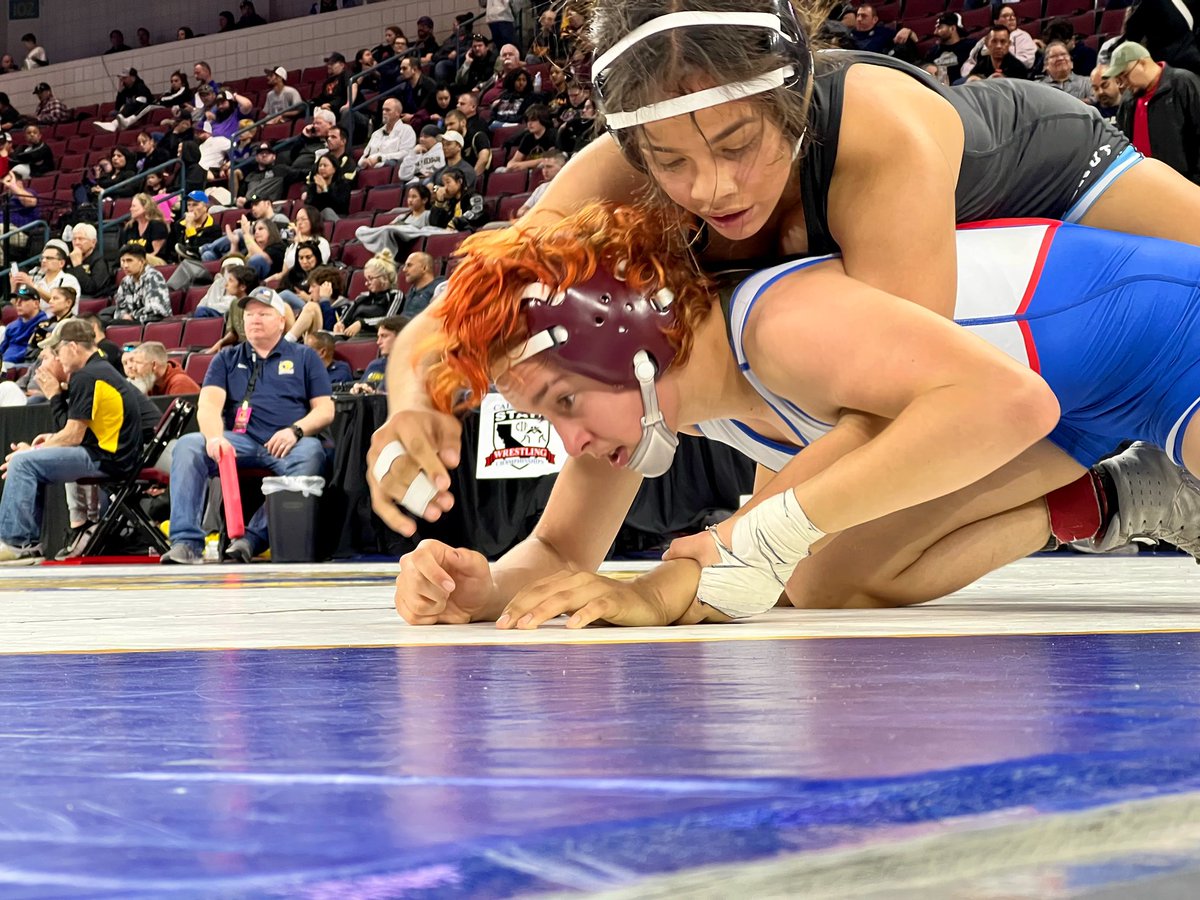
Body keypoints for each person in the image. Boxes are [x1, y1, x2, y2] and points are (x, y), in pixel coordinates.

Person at [367, 0, 1200, 597]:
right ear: (635, 152)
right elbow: (472, 305)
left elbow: (893, 414)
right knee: (826, 576)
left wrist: (706, 564)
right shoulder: (625, 188)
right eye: (673, 165)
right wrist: (412, 401)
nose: (714, 187)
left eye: (738, 145)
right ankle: (1122, 494)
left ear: (790, 100)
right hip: (1041, 357)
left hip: (1062, 184)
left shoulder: (877, 134)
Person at [386, 205, 1200, 629]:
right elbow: (563, 550)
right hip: (1069, 410)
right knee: (823, 580)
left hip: (1167, 331)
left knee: (783, 552)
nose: (569, 439)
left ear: (626, 331)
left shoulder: (773, 323)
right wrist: (486, 588)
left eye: (563, 403)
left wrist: (738, 546)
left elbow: (1007, 400)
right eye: (545, 414)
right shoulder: (644, 395)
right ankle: (1121, 498)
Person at [161, 287, 334, 564]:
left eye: (264, 313)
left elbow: (325, 409)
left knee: (311, 452)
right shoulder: (227, 358)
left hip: (287, 442)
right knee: (189, 445)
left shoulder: (304, 357)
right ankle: (186, 542)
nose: (254, 319)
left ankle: (251, 539)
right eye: (250, 314)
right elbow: (208, 405)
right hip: (238, 440)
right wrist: (214, 438)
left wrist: (296, 430)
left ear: (281, 321)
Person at [0, 320, 147, 563]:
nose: (57, 358)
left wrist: (33, 450)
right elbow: (85, 430)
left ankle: (16, 543)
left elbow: (73, 435)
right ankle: (26, 544)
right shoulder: (99, 369)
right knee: (29, 463)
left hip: (108, 459)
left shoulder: (86, 375)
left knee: (24, 463)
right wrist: (44, 445)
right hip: (114, 455)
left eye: (57, 352)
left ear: (73, 347)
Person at [1107, 42, 1200, 185]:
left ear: (1142, 63)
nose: (1122, 84)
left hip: (1184, 185)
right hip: (1147, 186)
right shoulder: (1128, 99)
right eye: (1118, 80)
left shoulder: (1183, 83)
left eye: (1124, 76)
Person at [103, 244, 171, 325]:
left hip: (152, 323)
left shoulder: (153, 277)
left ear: (142, 262)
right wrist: (123, 315)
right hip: (131, 321)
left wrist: (131, 316)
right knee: (102, 317)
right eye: (123, 261)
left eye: (129, 261)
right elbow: (120, 308)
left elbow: (155, 310)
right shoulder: (125, 281)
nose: (125, 265)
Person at [11, 240, 82, 311]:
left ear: (61, 263)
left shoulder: (69, 280)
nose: (44, 261)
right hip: (39, 320)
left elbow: (58, 302)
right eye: (42, 258)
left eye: (49, 258)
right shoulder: (37, 281)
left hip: (63, 321)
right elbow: (18, 307)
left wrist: (32, 285)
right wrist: (14, 288)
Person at [351, 315, 405, 394]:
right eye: (378, 337)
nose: (378, 342)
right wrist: (357, 391)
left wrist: (375, 395)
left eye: (384, 336)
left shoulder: (413, 368)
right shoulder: (375, 365)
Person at [126, 341, 201, 396]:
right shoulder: (152, 382)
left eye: (138, 363)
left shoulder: (180, 384)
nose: (134, 368)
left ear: (154, 365)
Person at [119, 193, 172, 264]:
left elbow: (157, 253)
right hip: (134, 262)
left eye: (134, 206)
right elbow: (123, 250)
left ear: (145, 208)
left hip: (156, 261)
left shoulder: (157, 225)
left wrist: (137, 260)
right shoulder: (129, 227)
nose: (130, 209)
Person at [63, 224, 113, 298]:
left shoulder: (99, 261)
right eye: (74, 239)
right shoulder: (68, 259)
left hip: (90, 300)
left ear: (93, 242)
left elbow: (91, 289)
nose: (77, 243)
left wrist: (77, 266)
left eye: (81, 239)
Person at [0, 289, 45, 371]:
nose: (18, 304)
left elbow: (33, 356)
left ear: (36, 303)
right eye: (17, 300)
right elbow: (2, 349)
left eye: (23, 300)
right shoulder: (12, 326)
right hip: (5, 365)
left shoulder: (45, 325)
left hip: (24, 367)